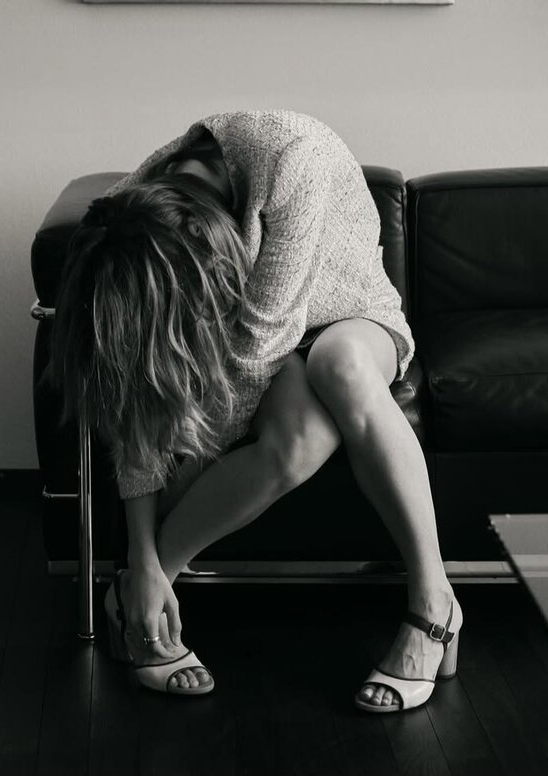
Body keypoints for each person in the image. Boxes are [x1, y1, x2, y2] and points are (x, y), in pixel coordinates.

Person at [49, 110, 462, 712]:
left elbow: (254, 356)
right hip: (259, 336)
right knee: (301, 442)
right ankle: (145, 582)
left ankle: (435, 605)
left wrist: (182, 467)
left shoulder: (294, 161)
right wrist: (140, 552)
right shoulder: (131, 208)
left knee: (339, 364)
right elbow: (138, 389)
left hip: (346, 315)